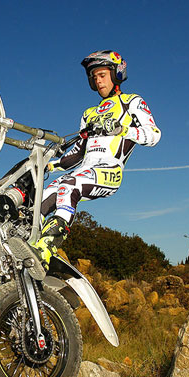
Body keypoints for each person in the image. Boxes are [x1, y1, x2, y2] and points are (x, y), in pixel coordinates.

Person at [29, 50, 161, 269]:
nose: (98, 81)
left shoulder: (131, 102)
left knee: (69, 186)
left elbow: (154, 135)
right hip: (83, 171)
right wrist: (49, 165)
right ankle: (28, 245)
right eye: (94, 77)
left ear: (116, 74)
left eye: (102, 75)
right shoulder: (89, 113)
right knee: (42, 197)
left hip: (109, 171)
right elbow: (77, 154)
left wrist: (123, 129)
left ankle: (47, 246)